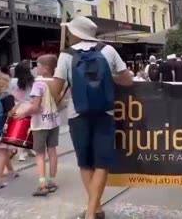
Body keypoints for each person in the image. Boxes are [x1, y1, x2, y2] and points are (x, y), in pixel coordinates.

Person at [50, 16, 133, 219]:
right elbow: (128, 80)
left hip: (77, 115)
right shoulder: (108, 50)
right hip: (106, 113)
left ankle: (92, 211)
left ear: (75, 33)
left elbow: (56, 88)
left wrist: (56, 89)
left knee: (85, 163)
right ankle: (93, 210)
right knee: (102, 163)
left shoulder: (66, 55)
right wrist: (108, 77)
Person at [14, 55, 61, 197]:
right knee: (52, 151)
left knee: (40, 154)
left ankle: (42, 184)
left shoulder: (38, 84)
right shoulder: (56, 82)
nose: (36, 69)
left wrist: (23, 114)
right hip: (54, 120)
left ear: (45, 68)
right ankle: (52, 181)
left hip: (40, 123)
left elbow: (35, 107)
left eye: (38, 66)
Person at [10, 60, 36, 162]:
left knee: (20, 131)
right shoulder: (32, 81)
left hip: (18, 106)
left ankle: (21, 154)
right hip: (30, 106)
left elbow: (10, 94)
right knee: (30, 130)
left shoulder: (13, 82)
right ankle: (29, 149)